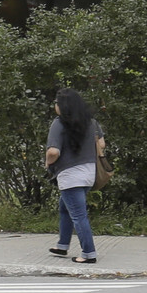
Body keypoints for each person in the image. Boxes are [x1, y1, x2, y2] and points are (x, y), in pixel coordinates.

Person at [45, 87, 103, 264]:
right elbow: (101, 143)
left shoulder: (59, 123)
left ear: (63, 106)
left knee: (78, 215)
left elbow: (53, 151)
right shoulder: (91, 122)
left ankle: (88, 253)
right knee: (65, 208)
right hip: (88, 173)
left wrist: (47, 162)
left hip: (70, 176)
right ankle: (62, 245)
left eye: (56, 103)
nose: (55, 106)